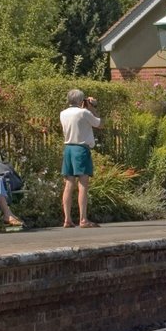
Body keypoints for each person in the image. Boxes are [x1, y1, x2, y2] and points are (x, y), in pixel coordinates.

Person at [60, 89, 102, 228]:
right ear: (81, 100)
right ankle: (83, 219)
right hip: (81, 149)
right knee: (83, 184)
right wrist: (93, 108)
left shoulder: (63, 113)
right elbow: (99, 124)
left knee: (69, 184)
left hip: (68, 149)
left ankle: (67, 219)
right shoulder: (84, 113)